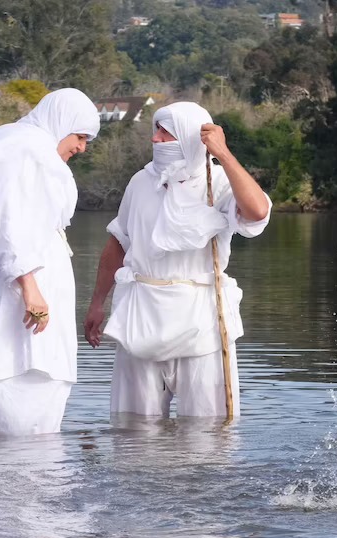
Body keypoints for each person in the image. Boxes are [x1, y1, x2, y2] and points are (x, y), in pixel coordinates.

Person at [84, 102, 271, 418]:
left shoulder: (221, 181)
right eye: (155, 130)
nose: (155, 139)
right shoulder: (140, 182)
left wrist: (223, 154)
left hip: (201, 321)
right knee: (132, 431)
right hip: (139, 315)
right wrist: (98, 302)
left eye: (164, 133)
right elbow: (118, 244)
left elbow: (257, 212)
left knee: (208, 434)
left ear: (188, 137)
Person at [0, 88, 100, 436]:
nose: (82, 147)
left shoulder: (13, 143)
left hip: (16, 289)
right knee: (26, 386)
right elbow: (11, 220)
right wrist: (31, 289)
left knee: (27, 389)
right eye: (81, 136)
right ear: (62, 123)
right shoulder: (24, 149)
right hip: (21, 298)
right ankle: (21, 483)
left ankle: (21, 481)